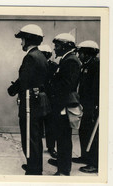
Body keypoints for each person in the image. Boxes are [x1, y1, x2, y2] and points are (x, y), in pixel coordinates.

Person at [8, 24, 48, 175]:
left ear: (28, 39)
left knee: (30, 137)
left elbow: (24, 80)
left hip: (30, 105)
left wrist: (13, 90)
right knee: (35, 137)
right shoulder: (40, 56)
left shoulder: (30, 57)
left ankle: (33, 169)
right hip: (36, 103)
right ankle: (34, 165)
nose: (21, 42)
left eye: (22, 39)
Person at [47, 33, 81, 176]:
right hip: (62, 104)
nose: (55, 49)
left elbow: (66, 85)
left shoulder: (70, 61)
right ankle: (62, 162)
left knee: (63, 138)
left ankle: (63, 169)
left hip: (63, 105)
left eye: (57, 46)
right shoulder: (67, 59)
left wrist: (52, 87)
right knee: (62, 137)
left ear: (66, 46)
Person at [74, 40, 99, 173]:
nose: (79, 55)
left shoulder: (97, 65)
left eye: (81, 52)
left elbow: (96, 88)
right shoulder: (85, 65)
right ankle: (85, 156)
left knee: (92, 134)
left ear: (88, 53)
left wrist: (95, 106)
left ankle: (94, 163)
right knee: (83, 131)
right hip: (84, 103)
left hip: (92, 105)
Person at [38, 44, 58, 159]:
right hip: (40, 98)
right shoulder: (37, 65)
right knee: (39, 124)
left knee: (50, 125)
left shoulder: (54, 66)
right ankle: (39, 147)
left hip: (50, 99)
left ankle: (51, 147)